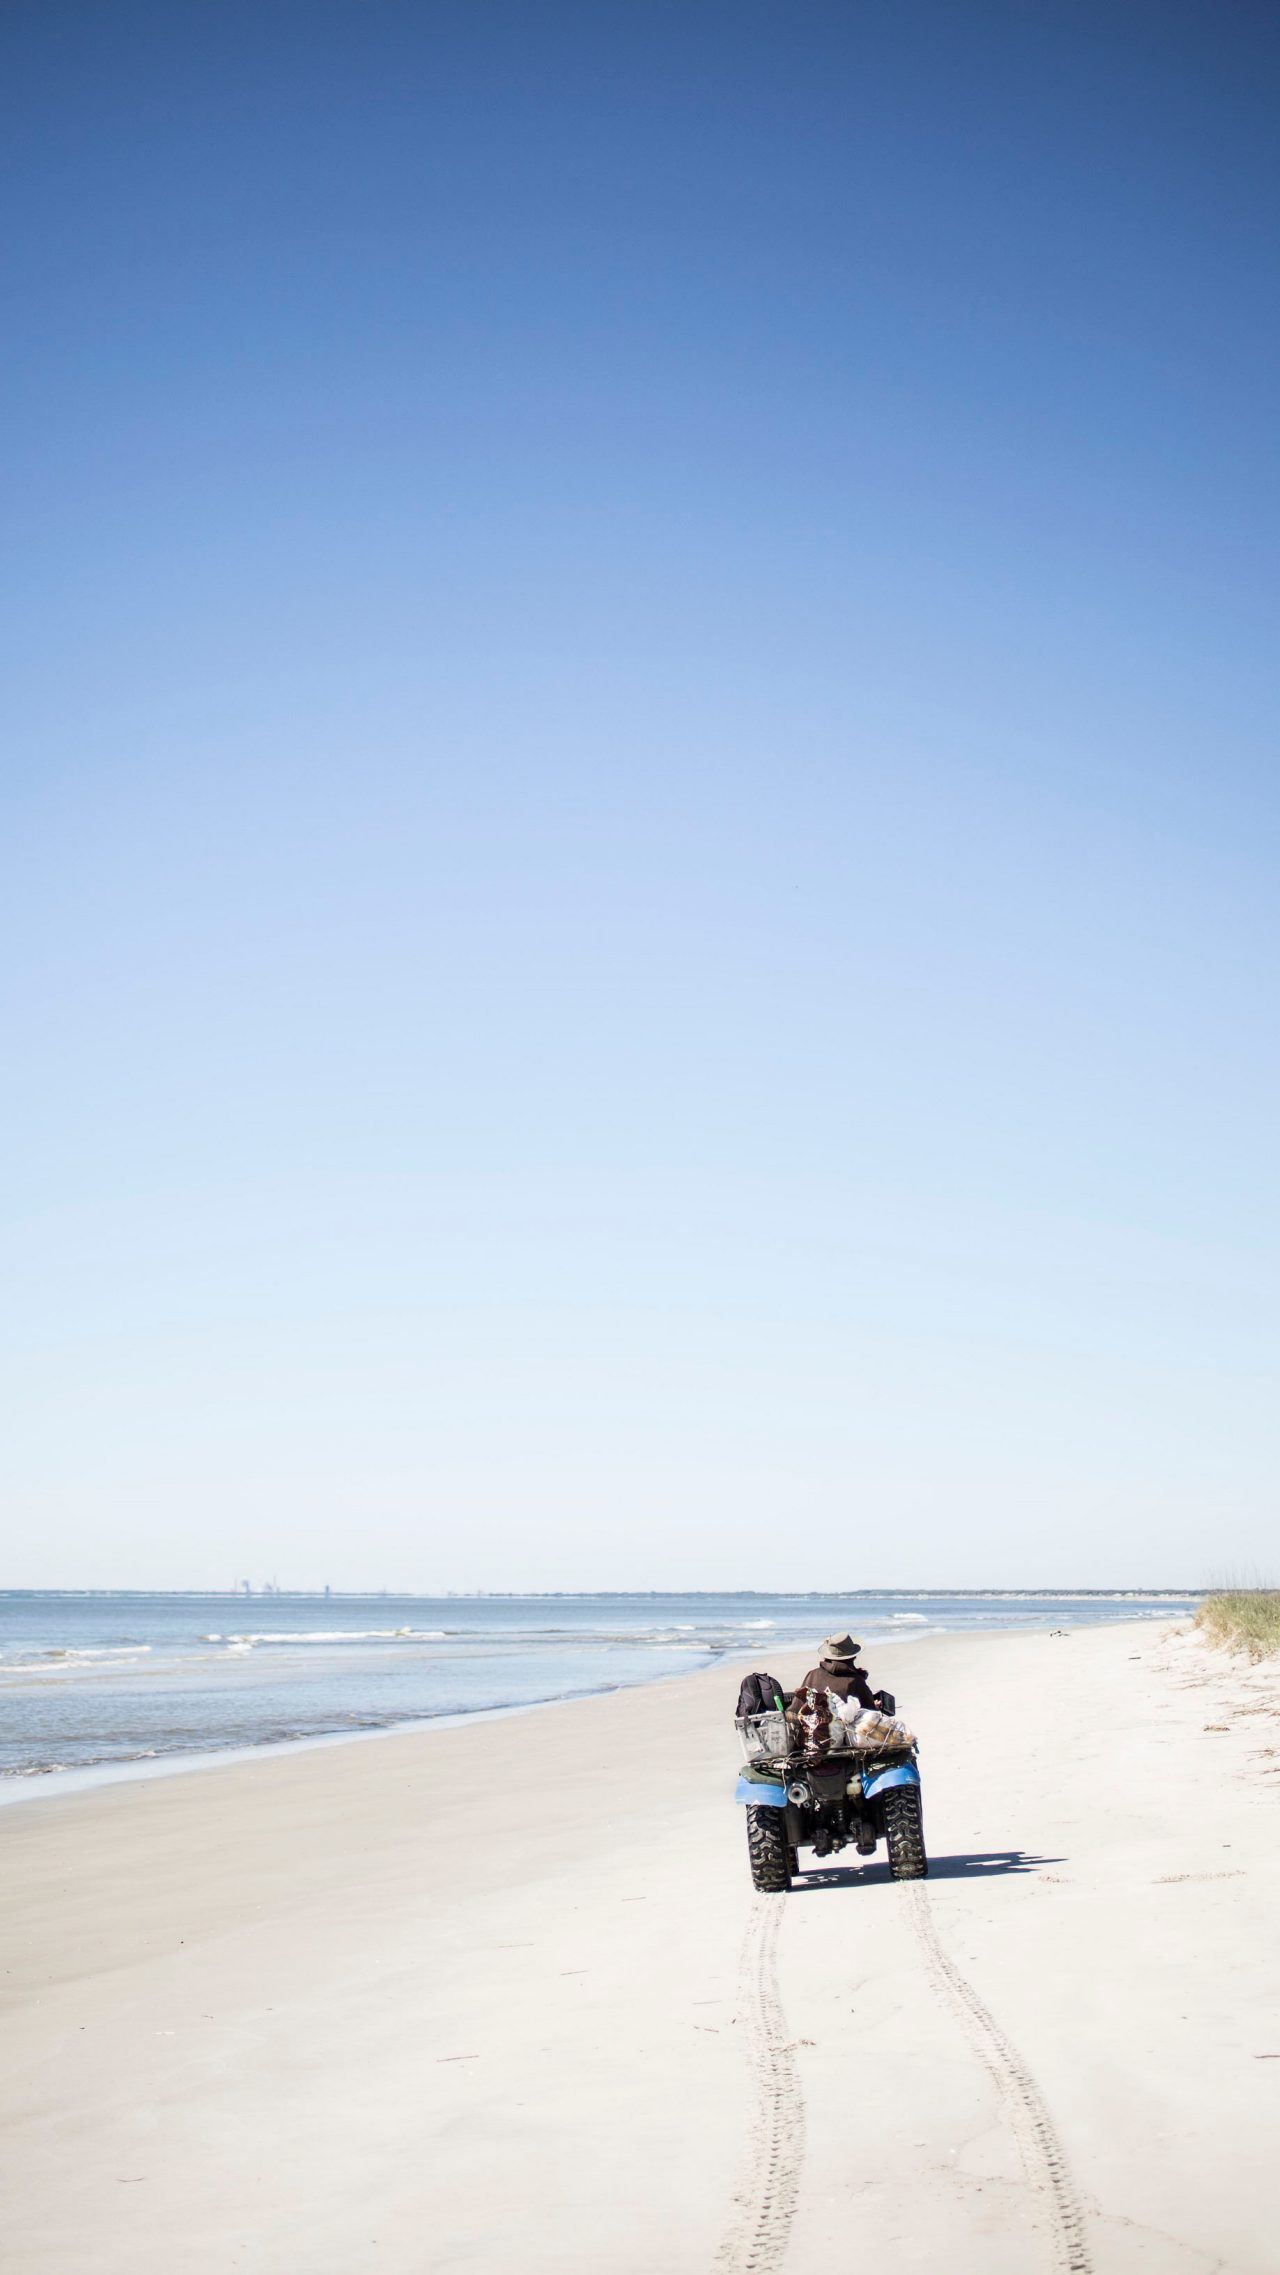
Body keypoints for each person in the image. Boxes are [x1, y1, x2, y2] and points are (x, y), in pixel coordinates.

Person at [797, 1632, 885, 1711]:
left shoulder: (812, 1674)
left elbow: (795, 1708)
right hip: (840, 1728)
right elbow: (869, 1710)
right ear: (853, 1657)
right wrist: (876, 1707)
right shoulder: (856, 1681)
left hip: (811, 1725)